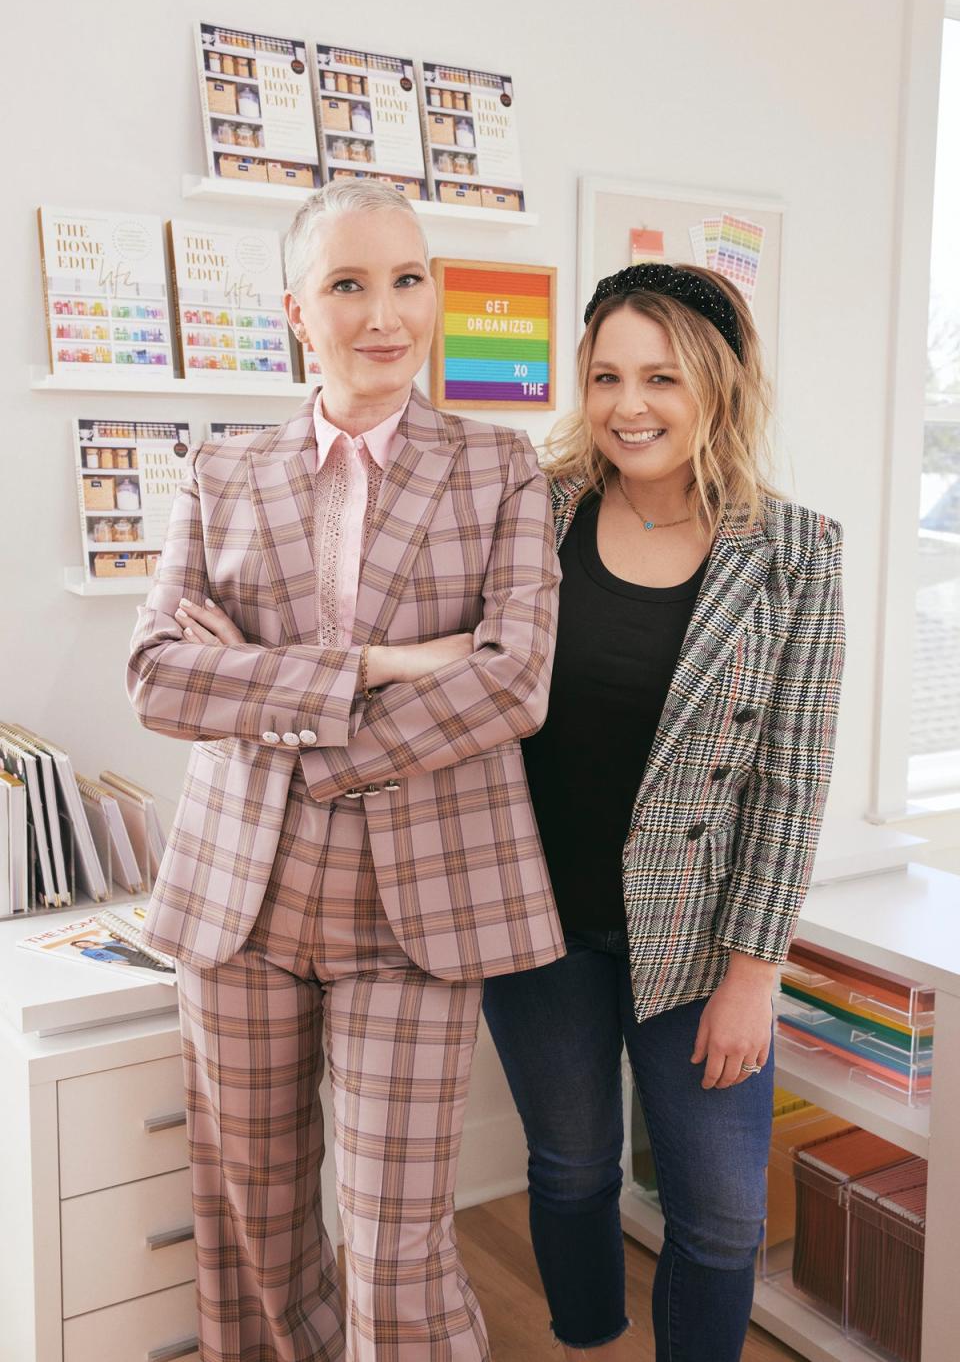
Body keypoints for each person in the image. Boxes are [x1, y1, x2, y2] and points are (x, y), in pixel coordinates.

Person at [126, 177, 564, 1362]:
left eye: (408, 279)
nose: (386, 313)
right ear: (295, 314)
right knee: (255, 1227)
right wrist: (378, 660)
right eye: (349, 284)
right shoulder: (222, 472)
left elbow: (515, 681)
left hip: (416, 908)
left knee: (393, 1245)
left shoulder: (501, 467)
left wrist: (290, 716)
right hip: (239, 902)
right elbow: (159, 676)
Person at [481, 263, 846, 1361]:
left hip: (700, 942)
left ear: (719, 386)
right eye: (605, 375)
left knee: (726, 1219)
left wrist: (755, 969)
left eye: (661, 377)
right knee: (574, 1167)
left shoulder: (795, 552)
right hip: (537, 920)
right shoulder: (529, 512)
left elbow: (794, 776)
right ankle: (587, 1340)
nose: (628, 404)